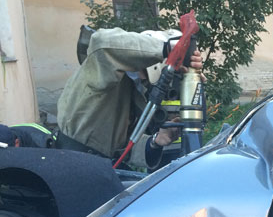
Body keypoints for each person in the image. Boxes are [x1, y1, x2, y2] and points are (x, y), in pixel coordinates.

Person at [56, 27, 203, 169]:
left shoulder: (135, 91)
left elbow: (123, 147)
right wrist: (167, 48)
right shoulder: (102, 71)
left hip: (99, 166)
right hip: (72, 163)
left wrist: (156, 141)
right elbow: (101, 41)